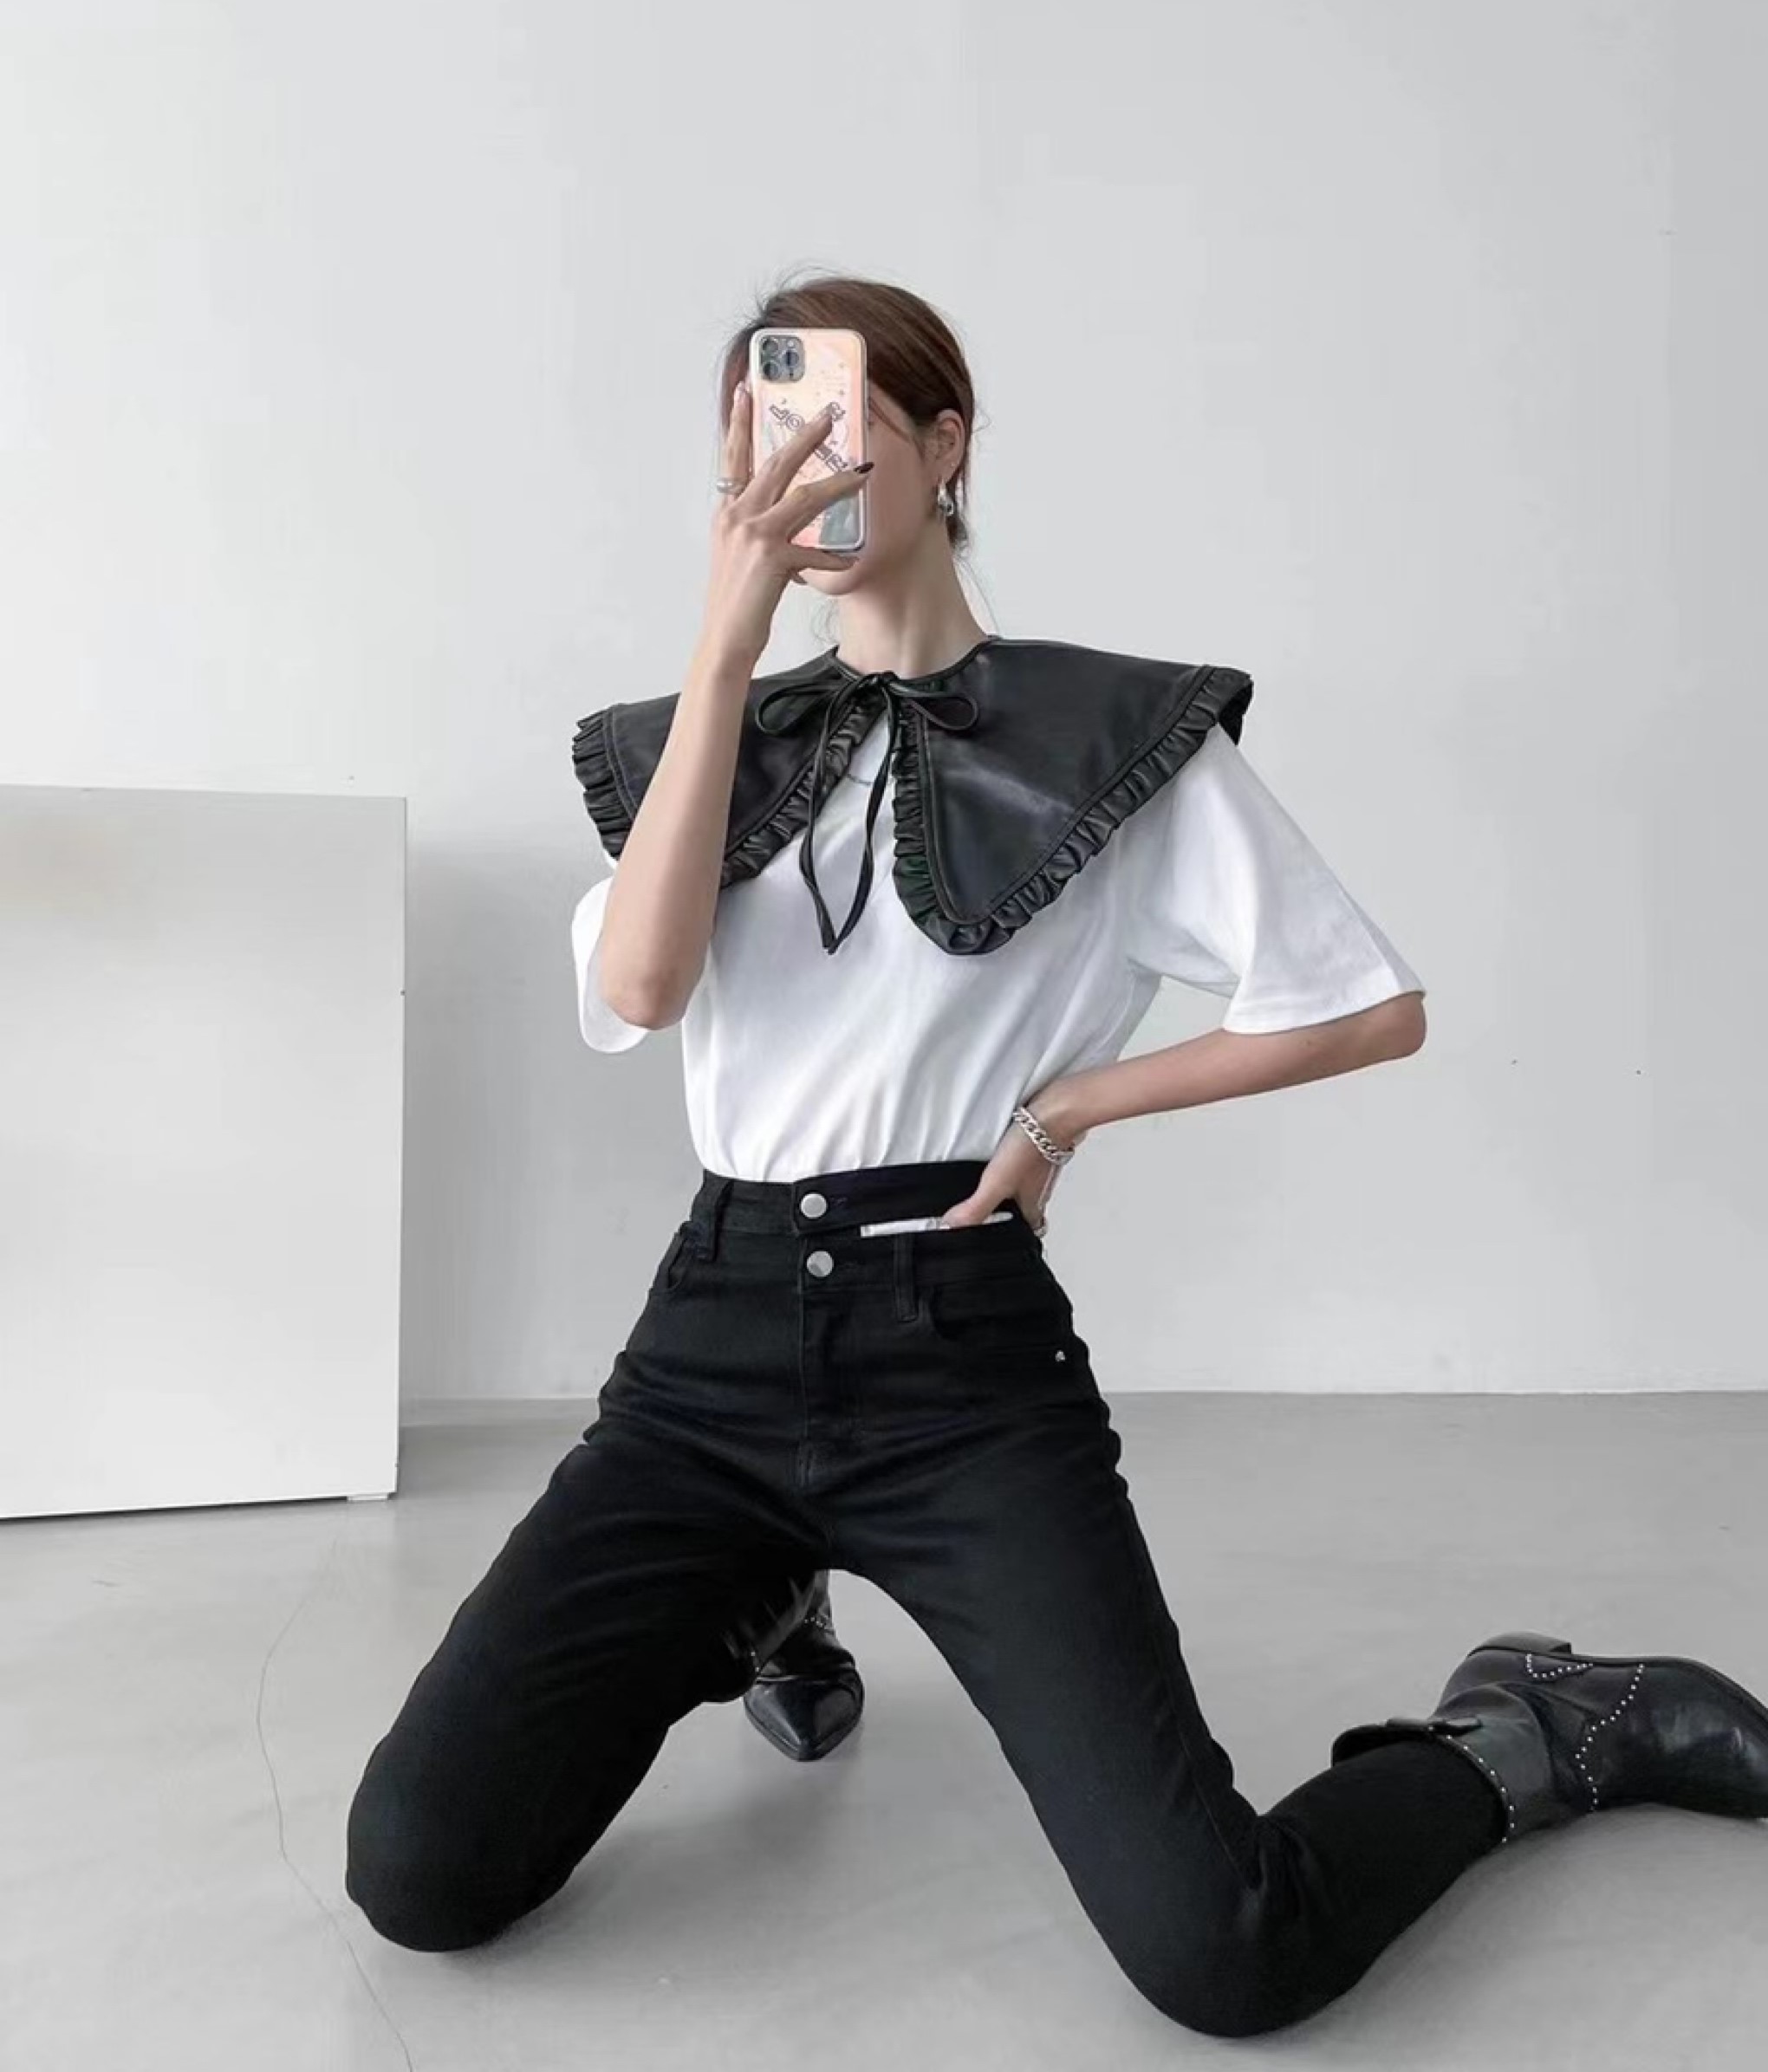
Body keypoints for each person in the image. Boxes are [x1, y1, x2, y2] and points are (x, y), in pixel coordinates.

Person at [344, 276, 1768, 2036]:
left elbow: (1364, 1006)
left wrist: (1068, 1108)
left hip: (959, 1356)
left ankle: (1527, 1731)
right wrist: (724, 648)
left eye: (838, 424)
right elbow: (641, 989)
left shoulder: (1111, 744)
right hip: (707, 1354)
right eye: (759, 437)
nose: (797, 469)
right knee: (419, 1869)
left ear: (947, 445)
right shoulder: (709, 741)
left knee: (1229, 1952)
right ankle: (762, 1588)